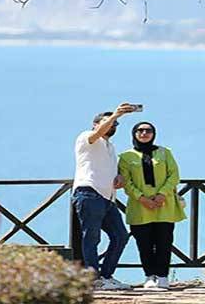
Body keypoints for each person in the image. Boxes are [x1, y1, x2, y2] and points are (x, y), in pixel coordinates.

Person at [72, 103, 136, 290]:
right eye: (110, 122)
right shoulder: (85, 137)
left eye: (116, 124)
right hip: (89, 192)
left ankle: (106, 276)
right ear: (95, 124)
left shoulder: (110, 146)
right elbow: (96, 135)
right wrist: (116, 114)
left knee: (120, 236)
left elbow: (107, 169)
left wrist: (119, 178)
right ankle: (93, 278)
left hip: (108, 198)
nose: (113, 125)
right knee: (92, 237)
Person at [118, 121, 186, 289]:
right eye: (140, 130)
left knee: (164, 242)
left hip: (165, 204)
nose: (144, 133)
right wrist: (142, 198)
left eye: (148, 130)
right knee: (144, 244)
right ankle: (149, 276)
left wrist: (162, 194)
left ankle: (163, 276)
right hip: (140, 207)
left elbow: (174, 175)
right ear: (134, 134)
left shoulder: (165, 152)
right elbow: (126, 182)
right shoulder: (126, 156)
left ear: (153, 133)